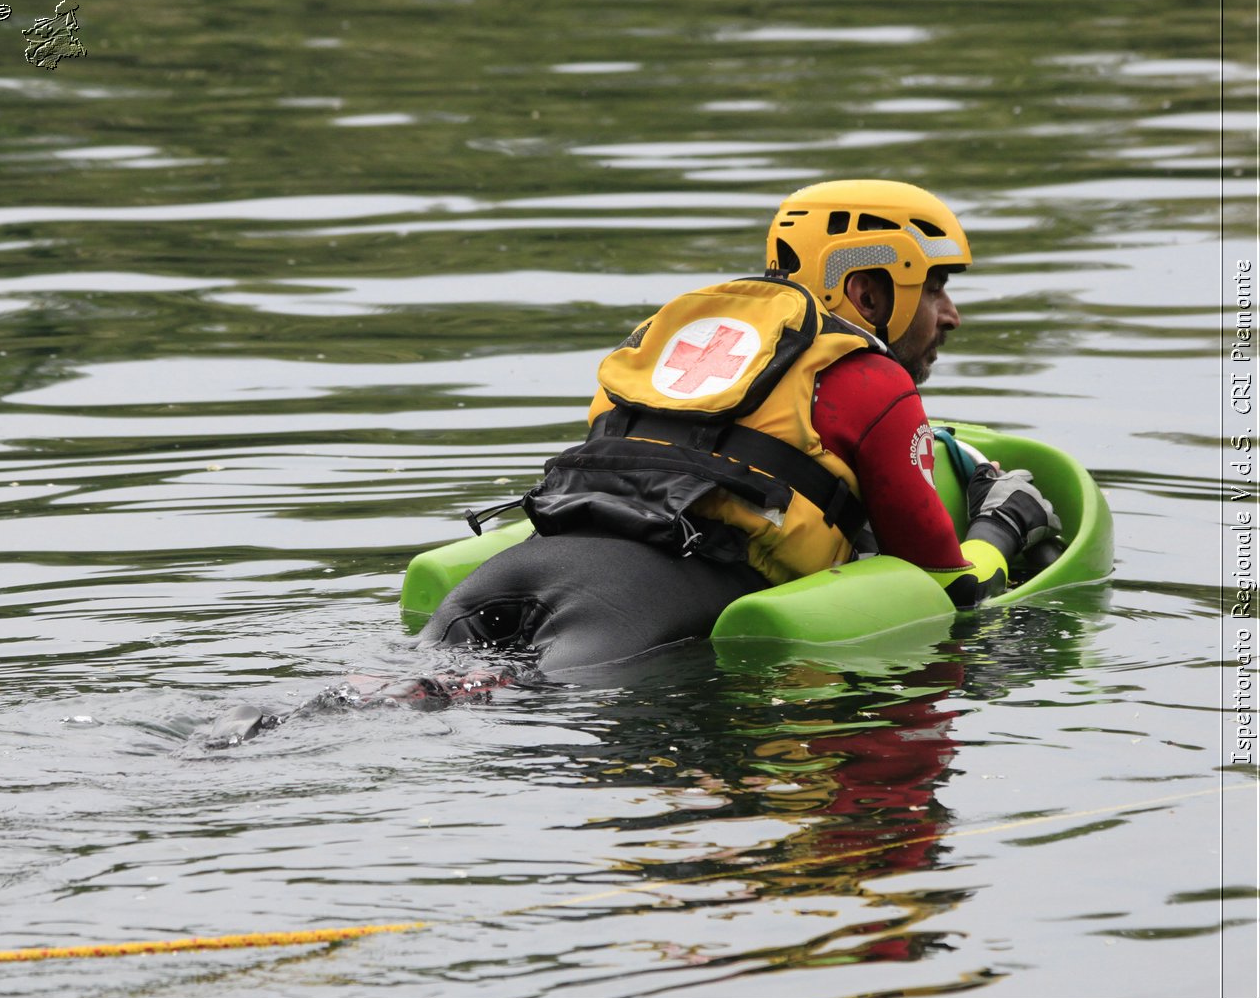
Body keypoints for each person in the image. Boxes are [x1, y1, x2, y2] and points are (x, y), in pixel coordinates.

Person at [418, 180, 1060, 673]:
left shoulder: (668, 340)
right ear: (867, 291)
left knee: (413, 696)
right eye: (935, 287)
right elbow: (952, 589)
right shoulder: (870, 381)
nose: (950, 315)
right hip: (627, 618)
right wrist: (1001, 524)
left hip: (504, 577)